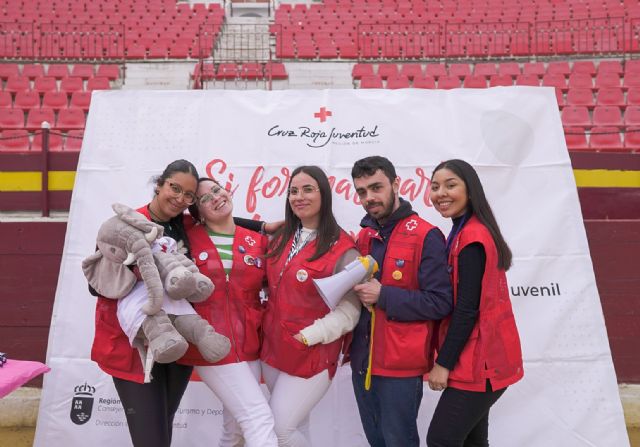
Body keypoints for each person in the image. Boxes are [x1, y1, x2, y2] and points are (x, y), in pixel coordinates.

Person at [89, 159, 270, 447]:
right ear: (159, 184)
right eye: (175, 188)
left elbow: (221, 222)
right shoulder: (125, 225)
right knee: (152, 439)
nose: (180, 199)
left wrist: (262, 225)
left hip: (178, 346)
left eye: (188, 196)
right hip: (133, 346)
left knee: (163, 428)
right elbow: (95, 286)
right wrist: (138, 271)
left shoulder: (183, 224)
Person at [349, 155, 453, 447]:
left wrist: (384, 295)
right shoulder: (364, 235)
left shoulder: (426, 235)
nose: (369, 197)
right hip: (362, 362)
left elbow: (440, 302)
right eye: (362, 192)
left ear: (396, 183)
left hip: (400, 367)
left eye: (376, 187)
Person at [260, 165, 362, 447]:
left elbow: (351, 311)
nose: (299, 197)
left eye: (307, 189)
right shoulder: (281, 238)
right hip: (274, 348)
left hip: (312, 353)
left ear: (324, 195)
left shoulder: (343, 248)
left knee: (278, 431)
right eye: (293, 191)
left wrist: (309, 336)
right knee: (294, 427)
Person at [426, 159, 524, 447]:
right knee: (472, 441)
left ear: (471, 190)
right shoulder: (462, 231)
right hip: (480, 357)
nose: (440, 193)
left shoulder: (472, 238)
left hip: (481, 361)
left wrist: (443, 363)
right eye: (435, 187)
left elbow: (468, 310)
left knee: (441, 440)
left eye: (450, 185)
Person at [180, 177, 277, 446]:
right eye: (204, 198)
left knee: (234, 430)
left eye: (216, 190)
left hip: (249, 343)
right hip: (210, 343)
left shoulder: (258, 241)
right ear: (197, 211)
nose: (215, 198)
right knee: (258, 417)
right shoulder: (187, 238)